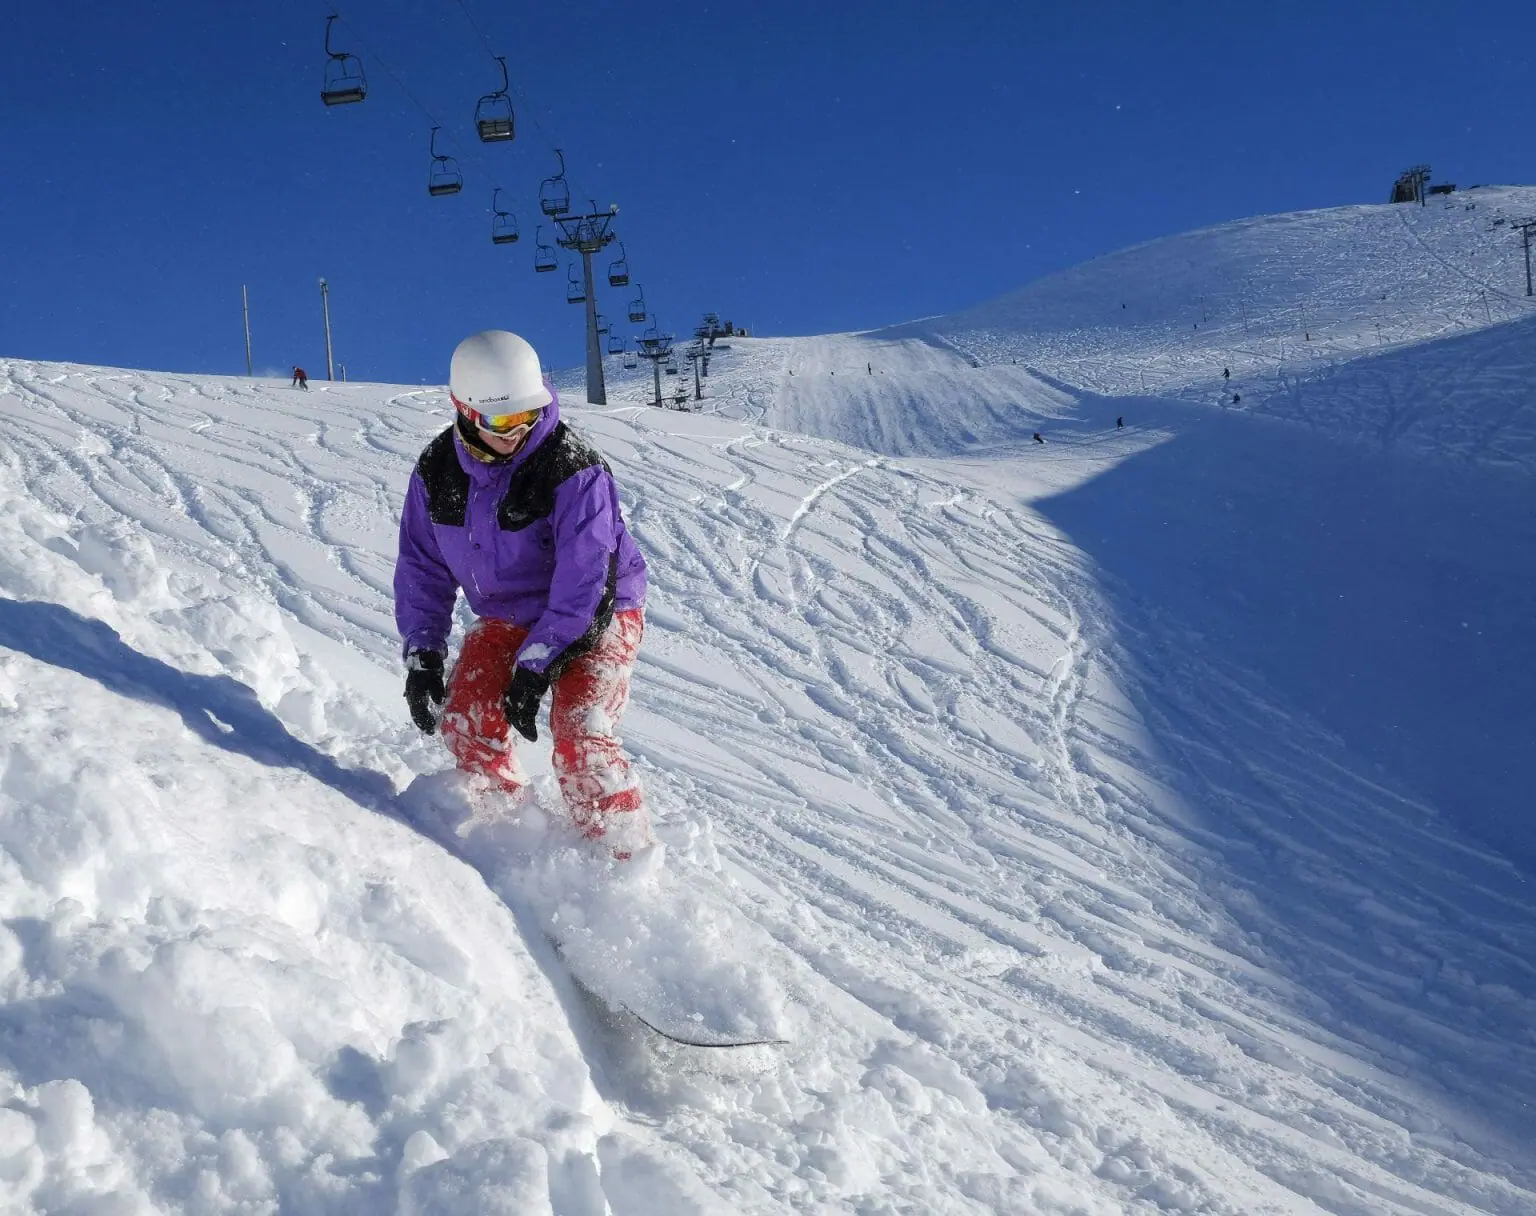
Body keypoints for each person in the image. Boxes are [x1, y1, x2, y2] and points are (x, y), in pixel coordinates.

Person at [394, 330, 651, 857]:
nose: (518, 432)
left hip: (598, 610)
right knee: (467, 717)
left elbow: (587, 578)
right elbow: (423, 566)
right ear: (463, 410)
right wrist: (424, 651)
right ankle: (510, 843)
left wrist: (539, 663)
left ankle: (622, 869)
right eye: (501, 422)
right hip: (509, 612)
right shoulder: (436, 472)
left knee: (581, 740)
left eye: (527, 415)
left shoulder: (572, 468)